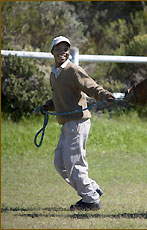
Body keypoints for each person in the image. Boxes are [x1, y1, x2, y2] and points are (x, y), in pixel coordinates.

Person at [40, 36, 115, 210]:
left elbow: (91, 86)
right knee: (60, 163)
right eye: (59, 49)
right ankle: (92, 187)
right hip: (66, 124)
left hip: (77, 123)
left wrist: (104, 95)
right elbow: (59, 96)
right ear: (52, 52)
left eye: (66, 49)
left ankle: (90, 200)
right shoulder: (54, 73)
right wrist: (47, 105)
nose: (63, 52)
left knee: (74, 163)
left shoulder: (73, 70)